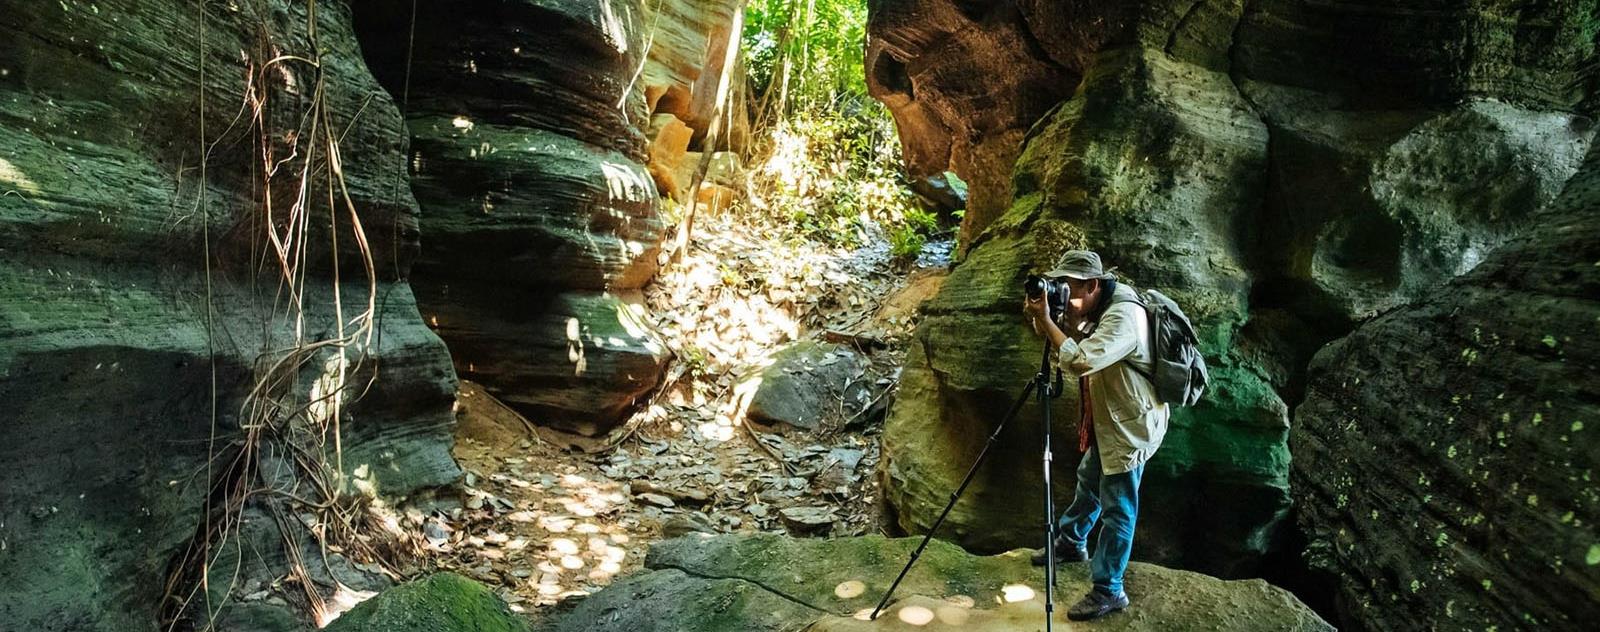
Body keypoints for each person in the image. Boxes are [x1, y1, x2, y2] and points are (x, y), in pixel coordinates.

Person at [1021, 249, 1170, 621]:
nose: (1061, 292)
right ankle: (1071, 543)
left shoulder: (1123, 315)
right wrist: (1054, 316)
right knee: (1089, 480)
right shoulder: (1098, 305)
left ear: (1092, 285)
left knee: (1119, 506)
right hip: (1111, 417)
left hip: (1130, 426)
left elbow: (1081, 360)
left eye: (1066, 286)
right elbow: (1076, 344)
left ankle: (1109, 589)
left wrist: (1050, 322)